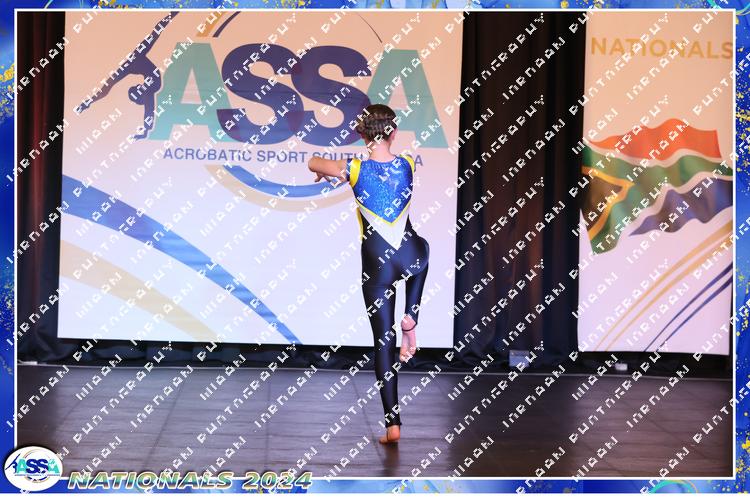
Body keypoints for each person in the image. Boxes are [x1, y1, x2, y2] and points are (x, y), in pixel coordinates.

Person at [307, 104, 430, 444]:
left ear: (360, 135)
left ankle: (393, 425)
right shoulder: (407, 163)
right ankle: (412, 317)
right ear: (394, 133)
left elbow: (313, 161)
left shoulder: (353, 169)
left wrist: (325, 171)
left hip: (377, 265)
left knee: (383, 344)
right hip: (411, 256)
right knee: (423, 251)